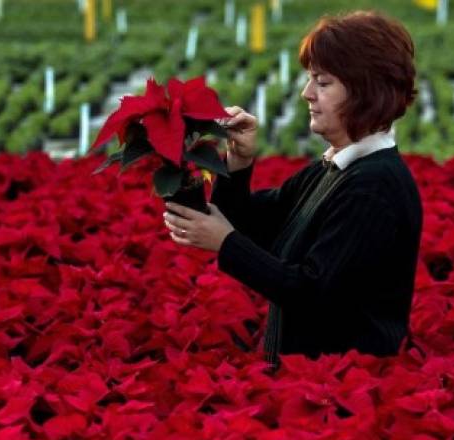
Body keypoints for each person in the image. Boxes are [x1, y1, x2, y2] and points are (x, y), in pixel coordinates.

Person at [162, 10, 422, 372]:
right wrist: (238, 159)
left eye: (323, 82)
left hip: (339, 396)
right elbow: (251, 225)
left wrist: (225, 243)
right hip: (312, 384)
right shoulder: (334, 168)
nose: (307, 93)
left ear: (365, 89)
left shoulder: (373, 186)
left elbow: (311, 291)